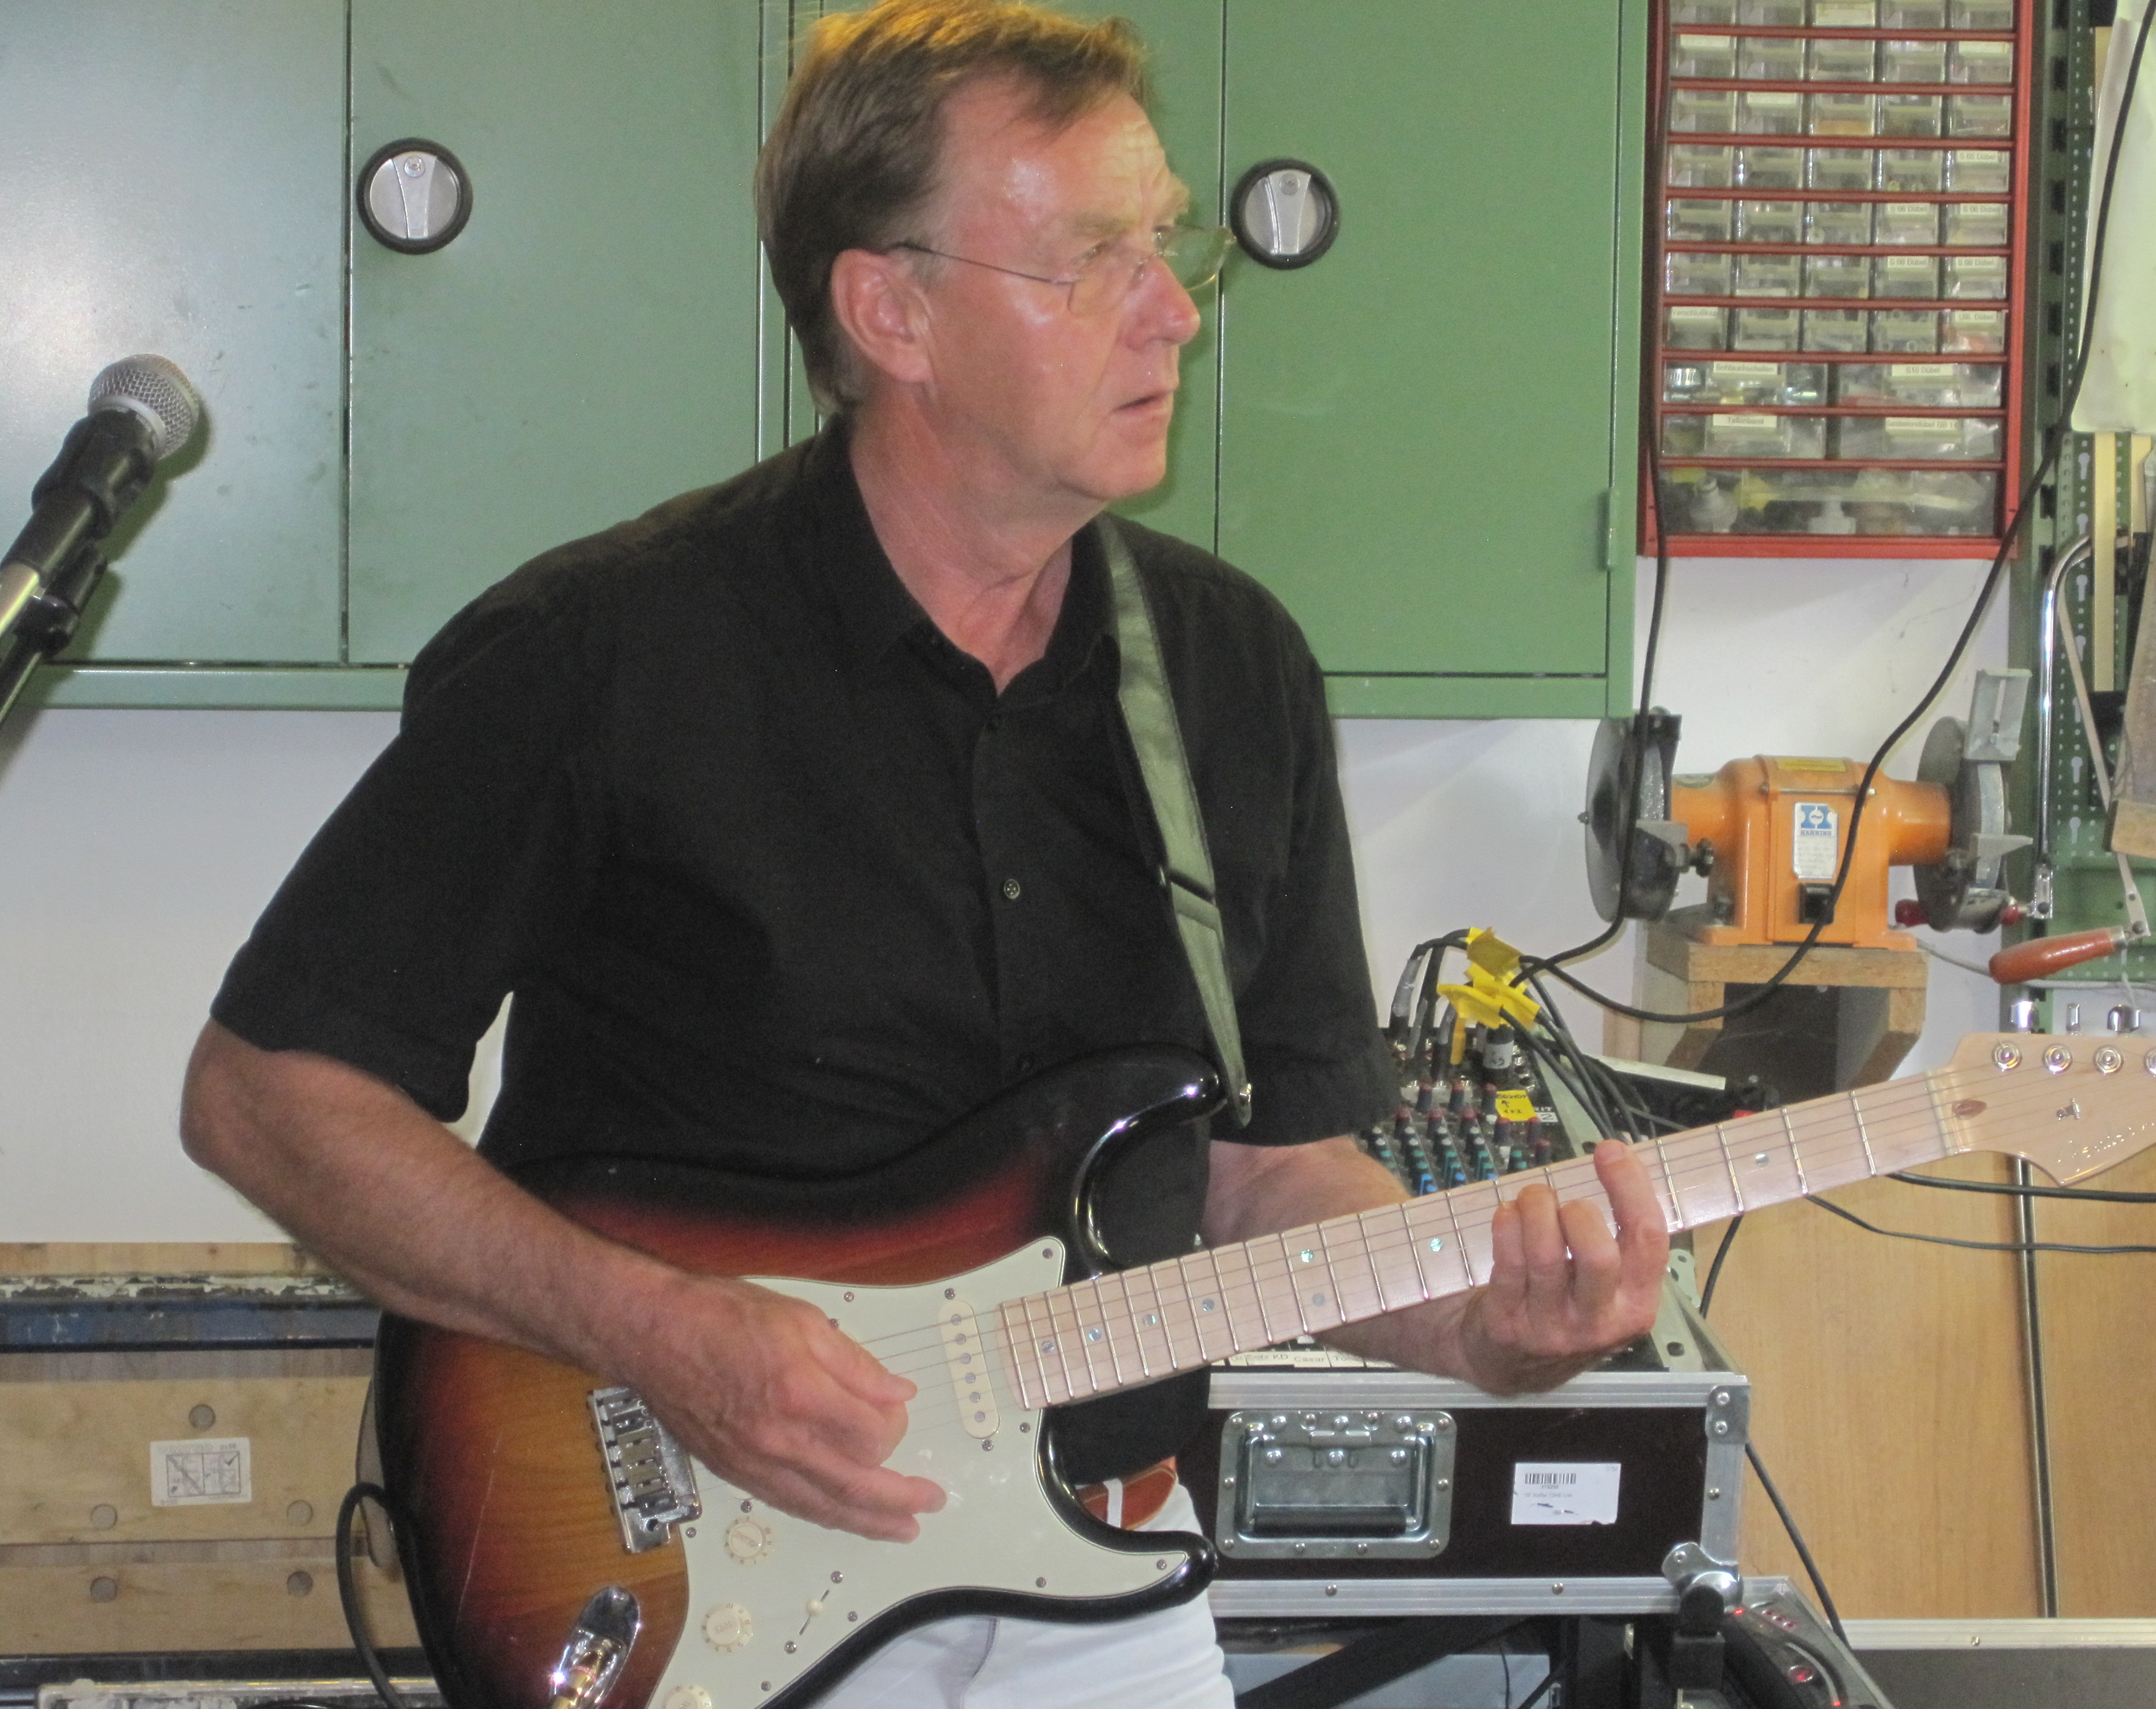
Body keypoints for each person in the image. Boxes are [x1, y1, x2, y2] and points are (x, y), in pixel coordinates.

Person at [180, 2, 1668, 1703]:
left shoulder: (1233, 670)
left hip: (1100, 1564)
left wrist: (1481, 1326)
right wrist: (653, 1330)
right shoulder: (602, 657)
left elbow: (1269, 1176)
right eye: (1092, 258)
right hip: (707, 1576)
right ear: (889, 311)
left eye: (1166, 243)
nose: (1177, 310)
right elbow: (266, 1096)